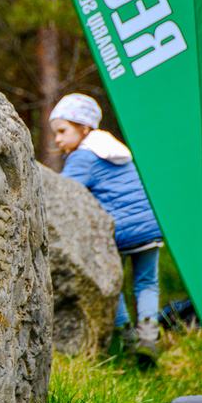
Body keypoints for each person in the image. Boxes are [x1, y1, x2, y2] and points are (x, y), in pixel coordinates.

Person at [49, 93, 164, 365]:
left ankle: (126, 339)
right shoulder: (117, 150)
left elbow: (62, 193)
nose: (57, 139)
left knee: (112, 285)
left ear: (84, 128)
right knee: (147, 283)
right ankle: (149, 335)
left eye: (63, 131)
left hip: (119, 231)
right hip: (149, 227)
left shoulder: (83, 158)